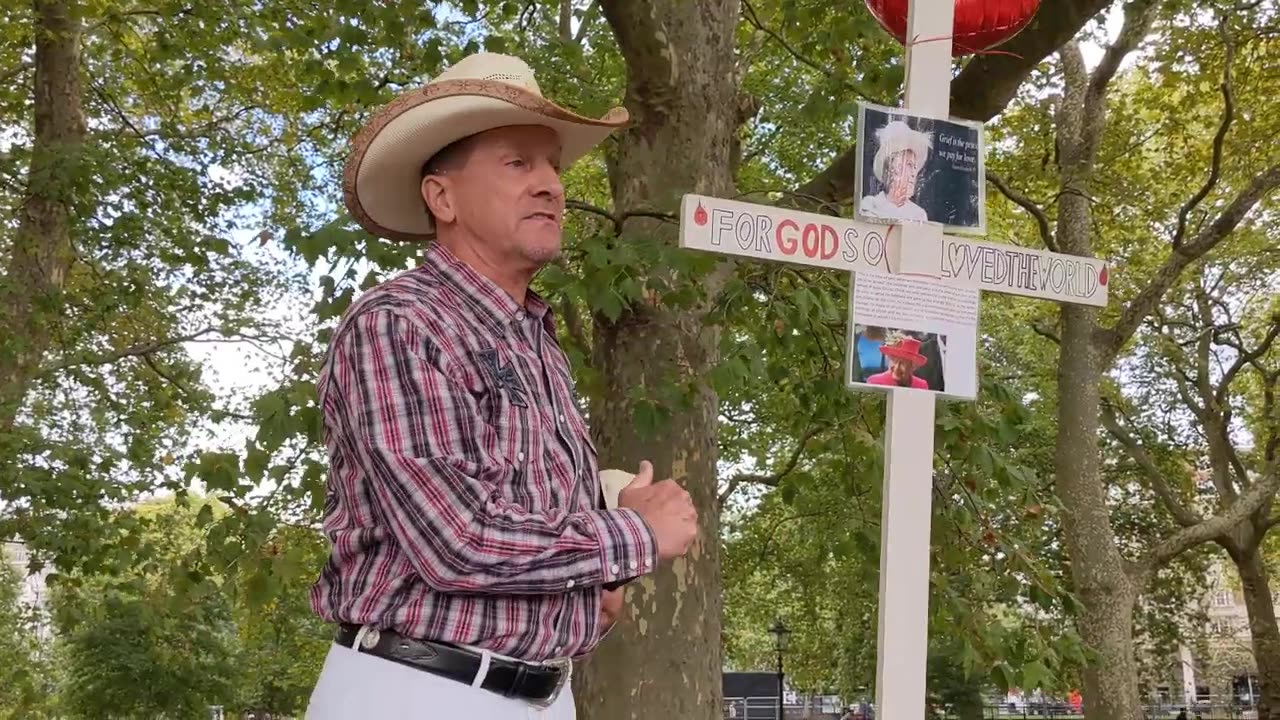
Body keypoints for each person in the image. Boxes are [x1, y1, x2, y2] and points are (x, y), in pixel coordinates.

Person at [303, 52, 699, 719]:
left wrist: (607, 567)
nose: (549, 184)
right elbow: (456, 540)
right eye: (518, 163)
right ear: (442, 197)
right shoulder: (400, 323)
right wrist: (635, 534)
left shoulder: (535, 339)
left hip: (542, 695)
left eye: (553, 167)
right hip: (417, 694)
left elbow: (521, 535)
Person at [859, 120, 932, 222]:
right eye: (909, 165)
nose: (913, 173)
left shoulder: (918, 215)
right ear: (890, 168)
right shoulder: (871, 205)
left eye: (915, 167)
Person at [865, 335, 930, 389]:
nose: (897, 368)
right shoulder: (875, 382)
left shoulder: (921, 386)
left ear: (913, 366)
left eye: (902, 363)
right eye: (894, 361)